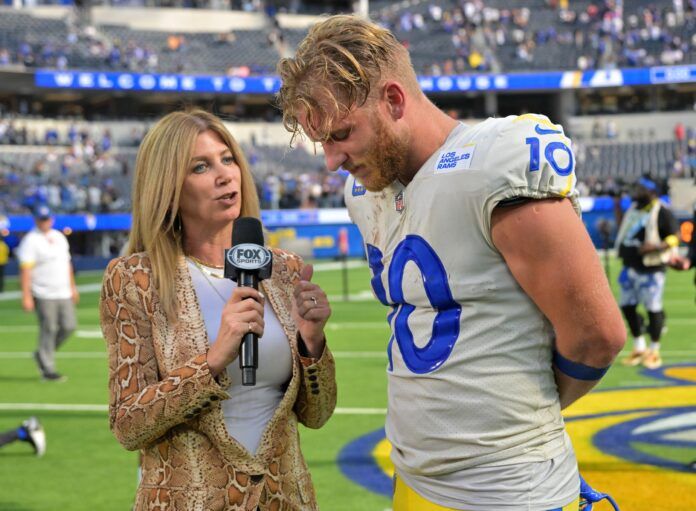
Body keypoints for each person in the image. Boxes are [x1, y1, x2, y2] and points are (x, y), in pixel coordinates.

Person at [278, 15, 625, 511]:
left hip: (508, 492)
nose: (332, 161)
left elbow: (597, 335)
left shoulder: (492, 163)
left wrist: (521, 417)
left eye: (341, 134)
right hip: (414, 479)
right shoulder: (368, 192)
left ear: (394, 100)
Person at [99, 109, 336, 511]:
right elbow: (128, 426)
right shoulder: (135, 279)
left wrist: (312, 343)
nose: (225, 175)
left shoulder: (283, 270)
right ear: (168, 187)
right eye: (201, 167)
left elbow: (317, 414)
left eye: (228, 160)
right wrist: (212, 361)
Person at [615, 177, 680, 370]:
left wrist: (657, 246)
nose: (637, 190)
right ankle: (639, 346)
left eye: (641, 188)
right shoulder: (634, 208)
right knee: (627, 306)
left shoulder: (662, 210)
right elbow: (625, 231)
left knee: (653, 307)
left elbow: (676, 236)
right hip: (630, 265)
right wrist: (616, 207)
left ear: (652, 191)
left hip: (651, 268)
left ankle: (654, 349)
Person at [17, 205, 78, 382]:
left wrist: (73, 288)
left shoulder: (59, 237)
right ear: (36, 220)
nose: (45, 222)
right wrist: (26, 295)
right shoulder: (31, 240)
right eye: (42, 219)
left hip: (63, 290)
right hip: (43, 291)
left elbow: (67, 264)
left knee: (69, 326)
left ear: (51, 219)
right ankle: (47, 367)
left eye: (47, 219)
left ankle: (42, 353)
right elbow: (26, 270)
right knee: (49, 328)